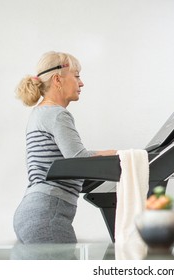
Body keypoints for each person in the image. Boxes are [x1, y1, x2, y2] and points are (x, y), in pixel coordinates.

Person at [14, 51, 116, 244]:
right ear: (57, 80)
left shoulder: (39, 113)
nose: (81, 83)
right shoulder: (57, 114)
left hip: (31, 211)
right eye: (76, 76)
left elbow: (67, 162)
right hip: (47, 214)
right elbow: (79, 160)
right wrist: (117, 155)